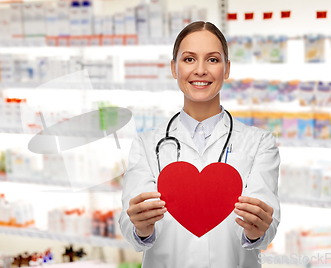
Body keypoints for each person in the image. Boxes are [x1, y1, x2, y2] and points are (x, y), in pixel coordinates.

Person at [119, 21, 280, 268]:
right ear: (174, 68)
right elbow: (133, 231)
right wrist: (141, 228)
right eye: (189, 59)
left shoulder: (259, 143)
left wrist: (256, 230)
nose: (201, 70)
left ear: (226, 69)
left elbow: (264, 233)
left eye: (213, 60)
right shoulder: (147, 144)